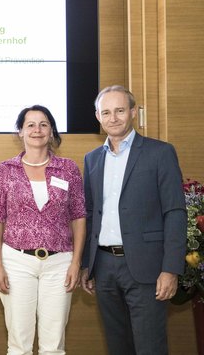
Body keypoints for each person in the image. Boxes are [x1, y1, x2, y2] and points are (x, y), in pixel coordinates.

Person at [80, 85, 187, 355]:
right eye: (106, 112)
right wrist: (87, 265)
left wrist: (171, 268)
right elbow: (91, 213)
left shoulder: (160, 153)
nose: (113, 118)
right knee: (118, 345)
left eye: (119, 110)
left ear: (133, 112)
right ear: (97, 116)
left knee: (149, 346)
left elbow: (174, 211)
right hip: (103, 267)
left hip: (147, 267)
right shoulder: (92, 159)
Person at [0, 105, 86, 355]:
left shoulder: (68, 169)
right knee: (19, 344)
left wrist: (76, 263)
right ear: (20, 131)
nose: (37, 130)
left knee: (53, 345)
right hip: (16, 262)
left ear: (51, 131)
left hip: (60, 264)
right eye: (30, 124)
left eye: (43, 124)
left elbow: (78, 217)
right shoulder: (5, 171)